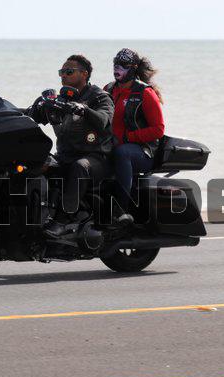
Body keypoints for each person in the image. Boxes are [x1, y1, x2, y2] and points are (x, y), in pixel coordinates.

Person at [27, 55, 115, 237]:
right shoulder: (61, 99)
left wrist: (84, 109)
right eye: (61, 72)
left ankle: (63, 220)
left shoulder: (100, 97)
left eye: (69, 72)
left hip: (95, 158)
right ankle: (33, 216)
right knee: (35, 164)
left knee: (80, 167)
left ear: (84, 74)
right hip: (65, 155)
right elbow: (35, 116)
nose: (63, 76)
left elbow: (104, 119)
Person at [104, 48, 165, 214]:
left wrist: (127, 137)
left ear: (134, 67)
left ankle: (121, 210)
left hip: (143, 151)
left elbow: (158, 129)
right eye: (115, 64)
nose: (117, 68)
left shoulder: (145, 93)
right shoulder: (108, 89)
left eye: (123, 65)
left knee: (122, 152)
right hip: (111, 145)